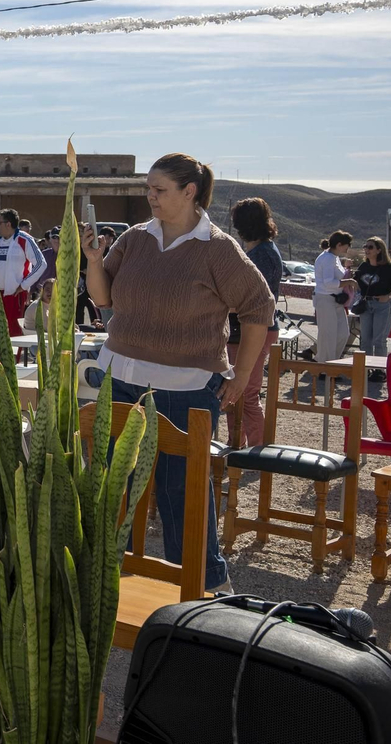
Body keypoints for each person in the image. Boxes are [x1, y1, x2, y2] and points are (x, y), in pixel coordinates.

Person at [81, 153, 274, 590]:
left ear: (189, 192)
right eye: (148, 188)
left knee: (180, 496)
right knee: (112, 488)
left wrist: (241, 380)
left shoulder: (218, 249)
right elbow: (104, 298)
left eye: (159, 189)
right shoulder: (134, 238)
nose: (150, 196)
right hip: (120, 379)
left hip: (184, 391)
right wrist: (94, 261)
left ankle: (204, 585)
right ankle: (113, 580)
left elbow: (259, 307)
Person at [226, 197, 284, 447]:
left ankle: (259, 450)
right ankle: (235, 445)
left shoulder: (263, 255)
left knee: (246, 393)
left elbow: (254, 299)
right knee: (232, 393)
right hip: (243, 329)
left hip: (254, 329)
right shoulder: (260, 251)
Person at [0, 209, 46, 341]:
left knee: (14, 331)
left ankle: (13, 360)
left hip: (14, 294)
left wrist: (24, 285)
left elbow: (41, 264)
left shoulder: (25, 240)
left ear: (8, 224)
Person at [354, 237, 391, 379]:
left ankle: (379, 371)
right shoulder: (363, 266)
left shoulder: (389, 268)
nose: (367, 249)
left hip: (383, 305)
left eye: (370, 247)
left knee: (379, 339)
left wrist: (388, 296)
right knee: (365, 339)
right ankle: (365, 368)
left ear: (379, 250)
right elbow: (356, 283)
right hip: (366, 304)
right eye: (366, 246)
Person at [313, 231, 357, 363]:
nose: (347, 249)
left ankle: (331, 363)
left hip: (336, 299)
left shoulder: (334, 257)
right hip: (325, 299)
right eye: (346, 246)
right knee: (328, 336)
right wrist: (348, 282)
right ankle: (324, 366)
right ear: (339, 245)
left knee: (343, 334)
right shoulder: (326, 259)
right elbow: (328, 282)